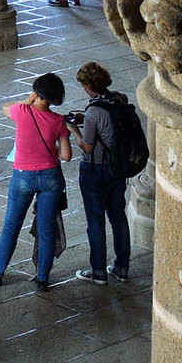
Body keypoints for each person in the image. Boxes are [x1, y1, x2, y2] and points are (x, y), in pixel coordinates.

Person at [0, 73, 72, 291]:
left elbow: (5, 107)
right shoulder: (58, 121)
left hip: (23, 176)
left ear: (36, 93)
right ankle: (42, 278)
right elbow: (66, 156)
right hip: (51, 178)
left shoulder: (21, 112)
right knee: (46, 228)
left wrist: (27, 101)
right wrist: (54, 148)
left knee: (12, 224)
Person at [72, 59, 133, 284]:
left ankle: (98, 272)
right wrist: (84, 117)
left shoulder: (93, 112)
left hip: (95, 170)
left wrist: (74, 130)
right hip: (118, 168)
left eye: (84, 85)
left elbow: (87, 146)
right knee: (118, 217)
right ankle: (121, 267)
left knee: (95, 221)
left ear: (89, 86)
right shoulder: (118, 99)